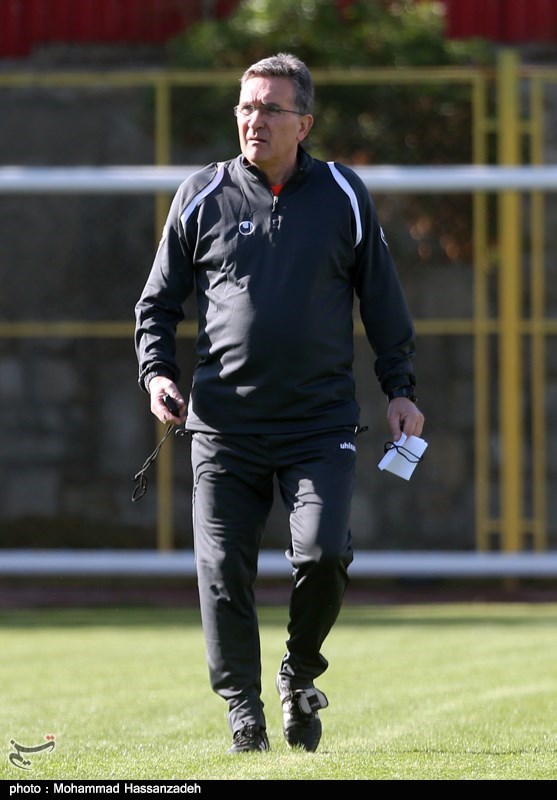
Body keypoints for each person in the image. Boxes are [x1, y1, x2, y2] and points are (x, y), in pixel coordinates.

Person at [134, 52, 424, 755]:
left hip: (318, 425)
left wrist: (401, 390)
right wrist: (157, 375)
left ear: (304, 123)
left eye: (269, 108)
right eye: (245, 106)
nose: (252, 120)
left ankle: (299, 674)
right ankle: (243, 711)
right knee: (221, 573)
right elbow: (157, 304)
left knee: (323, 554)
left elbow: (382, 302)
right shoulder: (201, 194)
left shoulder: (343, 194)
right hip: (222, 427)